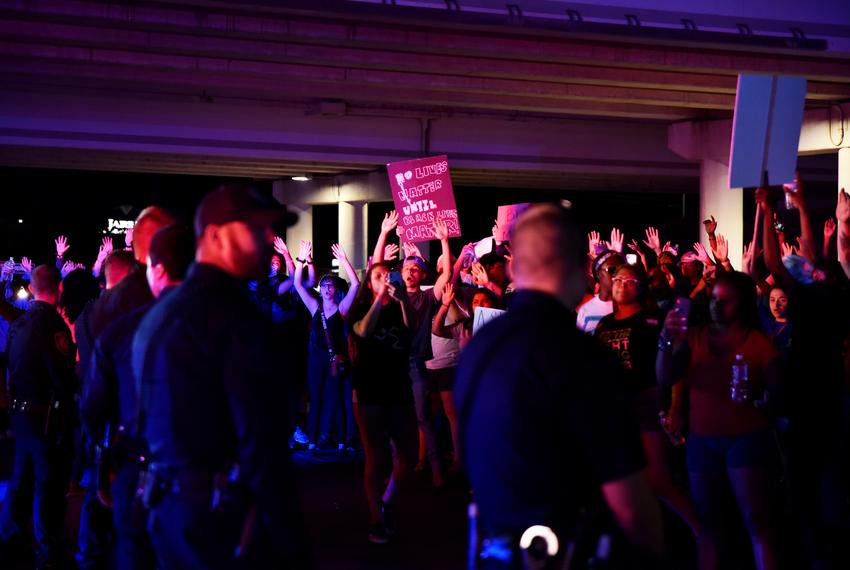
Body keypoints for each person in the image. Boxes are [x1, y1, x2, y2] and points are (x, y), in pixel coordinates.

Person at [456, 204, 664, 569]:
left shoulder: (480, 346)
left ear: (513, 268)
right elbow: (628, 503)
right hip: (563, 549)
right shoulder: (584, 357)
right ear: (581, 268)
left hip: (493, 549)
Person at [132, 183, 311, 568]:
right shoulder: (233, 318)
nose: (269, 239)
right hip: (221, 517)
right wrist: (290, 541)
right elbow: (262, 443)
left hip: (166, 507)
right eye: (255, 229)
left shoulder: (160, 313)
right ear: (213, 236)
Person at [81, 224, 195, 570]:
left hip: (140, 470)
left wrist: (104, 467)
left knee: (135, 555)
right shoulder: (230, 326)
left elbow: (92, 409)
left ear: (156, 270)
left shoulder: (120, 329)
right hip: (204, 476)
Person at [657, 271, 780, 570]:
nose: (716, 306)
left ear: (743, 304)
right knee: (708, 526)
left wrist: (760, 394)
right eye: (713, 299)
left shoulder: (760, 344)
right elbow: (665, 377)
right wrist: (665, 339)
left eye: (725, 300)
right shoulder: (695, 336)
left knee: (756, 522)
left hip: (746, 436)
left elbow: (781, 397)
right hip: (702, 440)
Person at [595, 264, 701, 538]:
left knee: (658, 478)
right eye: (616, 279)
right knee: (623, 481)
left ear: (641, 287)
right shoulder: (604, 325)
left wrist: (676, 406)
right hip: (614, 411)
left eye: (629, 281)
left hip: (647, 405)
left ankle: (702, 532)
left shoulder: (654, 319)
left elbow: (678, 366)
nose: (621, 284)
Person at [0, 265, 77, 569]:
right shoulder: (53, 323)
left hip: (20, 414)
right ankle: (49, 551)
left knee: (21, 478)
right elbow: (61, 378)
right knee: (49, 485)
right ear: (58, 288)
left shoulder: (19, 322)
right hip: (46, 417)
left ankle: (11, 538)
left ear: (32, 288)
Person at [373, 215, 452, 487]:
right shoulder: (393, 292)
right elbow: (376, 267)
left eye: (415, 269)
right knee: (391, 418)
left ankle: (436, 470)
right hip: (393, 365)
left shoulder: (429, 296)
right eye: (406, 268)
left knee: (423, 419)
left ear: (422, 275)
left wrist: (443, 241)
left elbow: (447, 276)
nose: (410, 272)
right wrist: (384, 234)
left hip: (417, 364)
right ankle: (398, 469)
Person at [349, 260, 418, 544]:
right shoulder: (361, 308)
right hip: (369, 392)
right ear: (370, 283)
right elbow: (363, 331)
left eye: (387, 275)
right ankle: (376, 519)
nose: (384, 279)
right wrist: (379, 298)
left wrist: (402, 302)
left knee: (409, 456)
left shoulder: (400, 306)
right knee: (375, 457)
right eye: (377, 276)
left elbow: (411, 328)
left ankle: (387, 500)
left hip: (399, 389)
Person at [292, 241, 359, 452]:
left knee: (334, 397)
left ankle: (339, 439)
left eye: (332, 285)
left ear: (336, 289)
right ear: (320, 290)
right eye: (325, 286)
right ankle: (313, 439)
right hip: (315, 359)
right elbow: (297, 285)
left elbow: (356, 285)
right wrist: (301, 260)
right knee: (315, 397)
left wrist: (345, 261)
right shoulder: (315, 306)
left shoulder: (342, 308)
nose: (328, 288)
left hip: (334, 359)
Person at [576, 249, 624, 333]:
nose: (618, 275)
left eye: (621, 271)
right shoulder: (585, 310)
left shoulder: (628, 307)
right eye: (612, 270)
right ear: (599, 274)